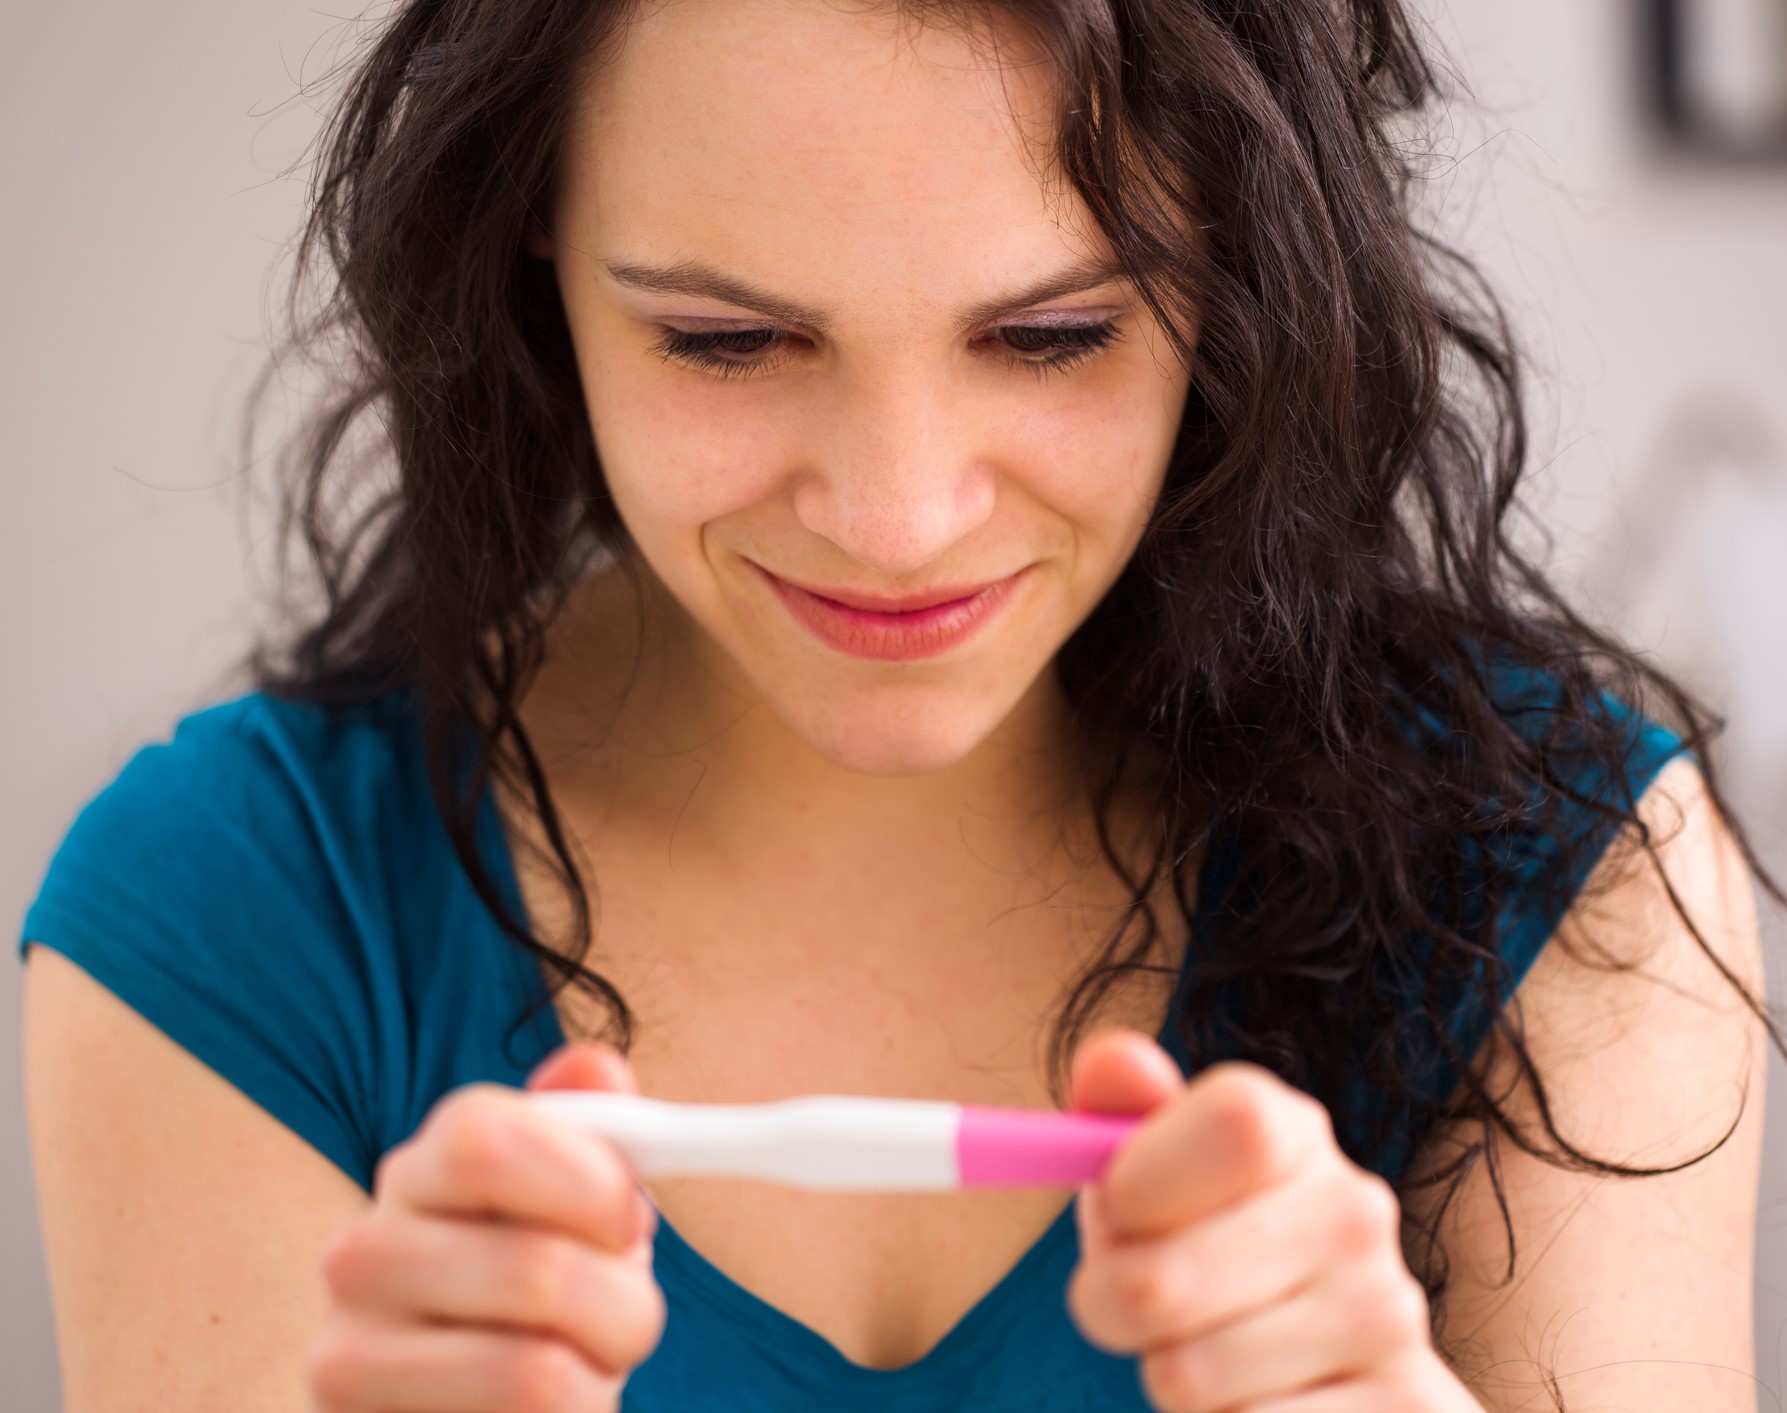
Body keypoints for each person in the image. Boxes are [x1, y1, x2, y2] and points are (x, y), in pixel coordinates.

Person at [17, 0, 1778, 1408]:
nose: (897, 518)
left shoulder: (1573, 877)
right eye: (726, 341)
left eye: (1052, 337)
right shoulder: (231, 917)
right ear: (535, 232)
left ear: (1239, 268)